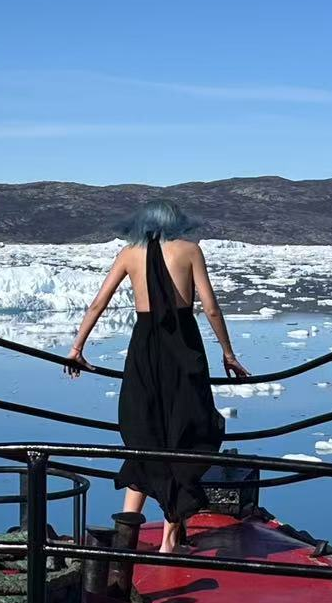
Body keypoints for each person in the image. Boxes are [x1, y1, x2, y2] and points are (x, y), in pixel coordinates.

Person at [64, 198, 248, 552]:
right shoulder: (191, 250)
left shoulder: (129, 253)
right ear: (178, 222)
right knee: (186, 433)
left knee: (144, 432)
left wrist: (77, 347)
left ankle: (127, 534)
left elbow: (98, 303)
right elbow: (209, 306)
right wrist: (228, 352)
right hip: (183, 346)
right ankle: (169, 536)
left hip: (145, 349)